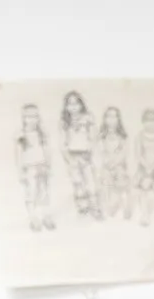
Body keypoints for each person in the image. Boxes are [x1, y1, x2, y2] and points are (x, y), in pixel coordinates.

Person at [13, 104, 54, 232]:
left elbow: (47, 150)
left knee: (44, 192)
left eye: (35, 116)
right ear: (23, 118)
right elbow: (18, 154)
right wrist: (20, 171)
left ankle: (45, 216)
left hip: (42, 166)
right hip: (29, 168)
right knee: (31, 194)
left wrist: (48, 165)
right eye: (29, 117)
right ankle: (33, 218)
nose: (32, 119)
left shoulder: (41, 133)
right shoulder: (21, 135)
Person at [58, 90, 98, 219]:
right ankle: (82, 208)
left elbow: (93, 137)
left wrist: (90, 152)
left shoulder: (88, 117)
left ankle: (95, 207)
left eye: (76, 103)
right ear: (66, 106)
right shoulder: (64, 121)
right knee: (77, 182)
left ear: (81, 105)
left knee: (90, 182)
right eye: (69, 104)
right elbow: (62, 142)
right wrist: (68, 158)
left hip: (86, 155)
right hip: (72, 156)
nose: (73, 107)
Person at [96, 106, 132, 220]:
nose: (111, 119)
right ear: (104, 119)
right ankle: (110, 207)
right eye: (108, 116)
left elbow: (124, 152)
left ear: (118, 119)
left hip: (120, 166)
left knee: (122, 185)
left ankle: (126, 207)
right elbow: (101, 151)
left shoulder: (122, 136)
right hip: (106, 166)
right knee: (106, 184)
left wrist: (115, 163)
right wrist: (107, 162)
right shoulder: (102, 136)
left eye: (114, 116)